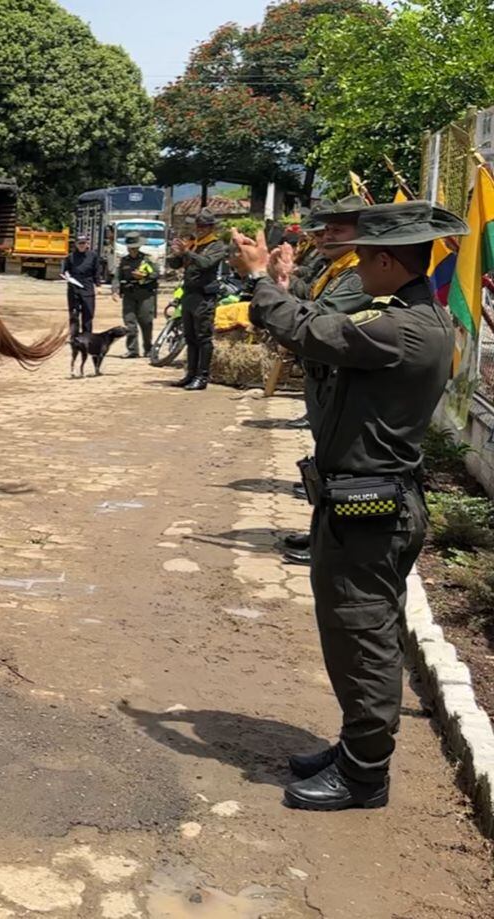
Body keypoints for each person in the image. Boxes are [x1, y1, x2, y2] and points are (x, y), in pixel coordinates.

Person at [232, 200, 468, 812]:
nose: (357, 264)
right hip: (369, 505)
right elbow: (317, 326)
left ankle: (364, 775)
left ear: (390, 259)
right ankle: (355, 748)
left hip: (371, 512)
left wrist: (262, 279)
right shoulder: (411, 317)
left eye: (365, 255)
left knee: (361, 637)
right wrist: (282, 288)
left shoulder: (403, 329)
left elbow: (312, 331)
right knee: (358, 630)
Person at [268, 196, 372, 565]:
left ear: (363, 234)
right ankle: (322, 531)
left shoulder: (360, 273)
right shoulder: (336, 268)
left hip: (338, 381)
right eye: (325, 229)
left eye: (336, 230)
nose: (326, 236)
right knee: (326, 461)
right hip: (321, 378)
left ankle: (331, 543)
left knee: (340, 466)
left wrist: (271, 284)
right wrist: (285, 278)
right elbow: (306, 298)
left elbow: (318, 316)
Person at [166, 210, 229, 391]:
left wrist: (188, 252)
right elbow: (175, 265)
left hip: (204, 296)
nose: (199, 229)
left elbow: (205, 263)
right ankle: (190, 374)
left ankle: (202, 377)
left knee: (203, 337)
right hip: (189, 294)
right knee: (190, 337)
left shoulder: (217, 245)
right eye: (198, 225)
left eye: (204, 226)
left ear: (211, 227)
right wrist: (177, 253)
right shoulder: (193, 244)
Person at [113, 231, 158, 358]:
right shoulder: (124, 261)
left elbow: (156, 274)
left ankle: (148, 349)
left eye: (135, 248)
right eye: (130, 248)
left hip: (145, 294)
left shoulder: (148, 259)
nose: (132, 250)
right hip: (129, 294)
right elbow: (117, 277)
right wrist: (115, 290)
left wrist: (144, 276)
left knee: (146, 322)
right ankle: (132, 350)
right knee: (130, 322)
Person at [61, 234, 101, 338]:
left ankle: (87, 335)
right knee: (74, 313)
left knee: (88, 313)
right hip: (74, 288)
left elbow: (97, 271)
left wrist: (98, 285)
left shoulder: (93, 256)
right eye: (80, 243)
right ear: (76, 244)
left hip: (87, 287)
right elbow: (65, 270)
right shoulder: (70, 257)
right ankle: (74, 336)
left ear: (87, 244)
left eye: (84, 243)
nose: (82, 245)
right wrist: (67, 275)